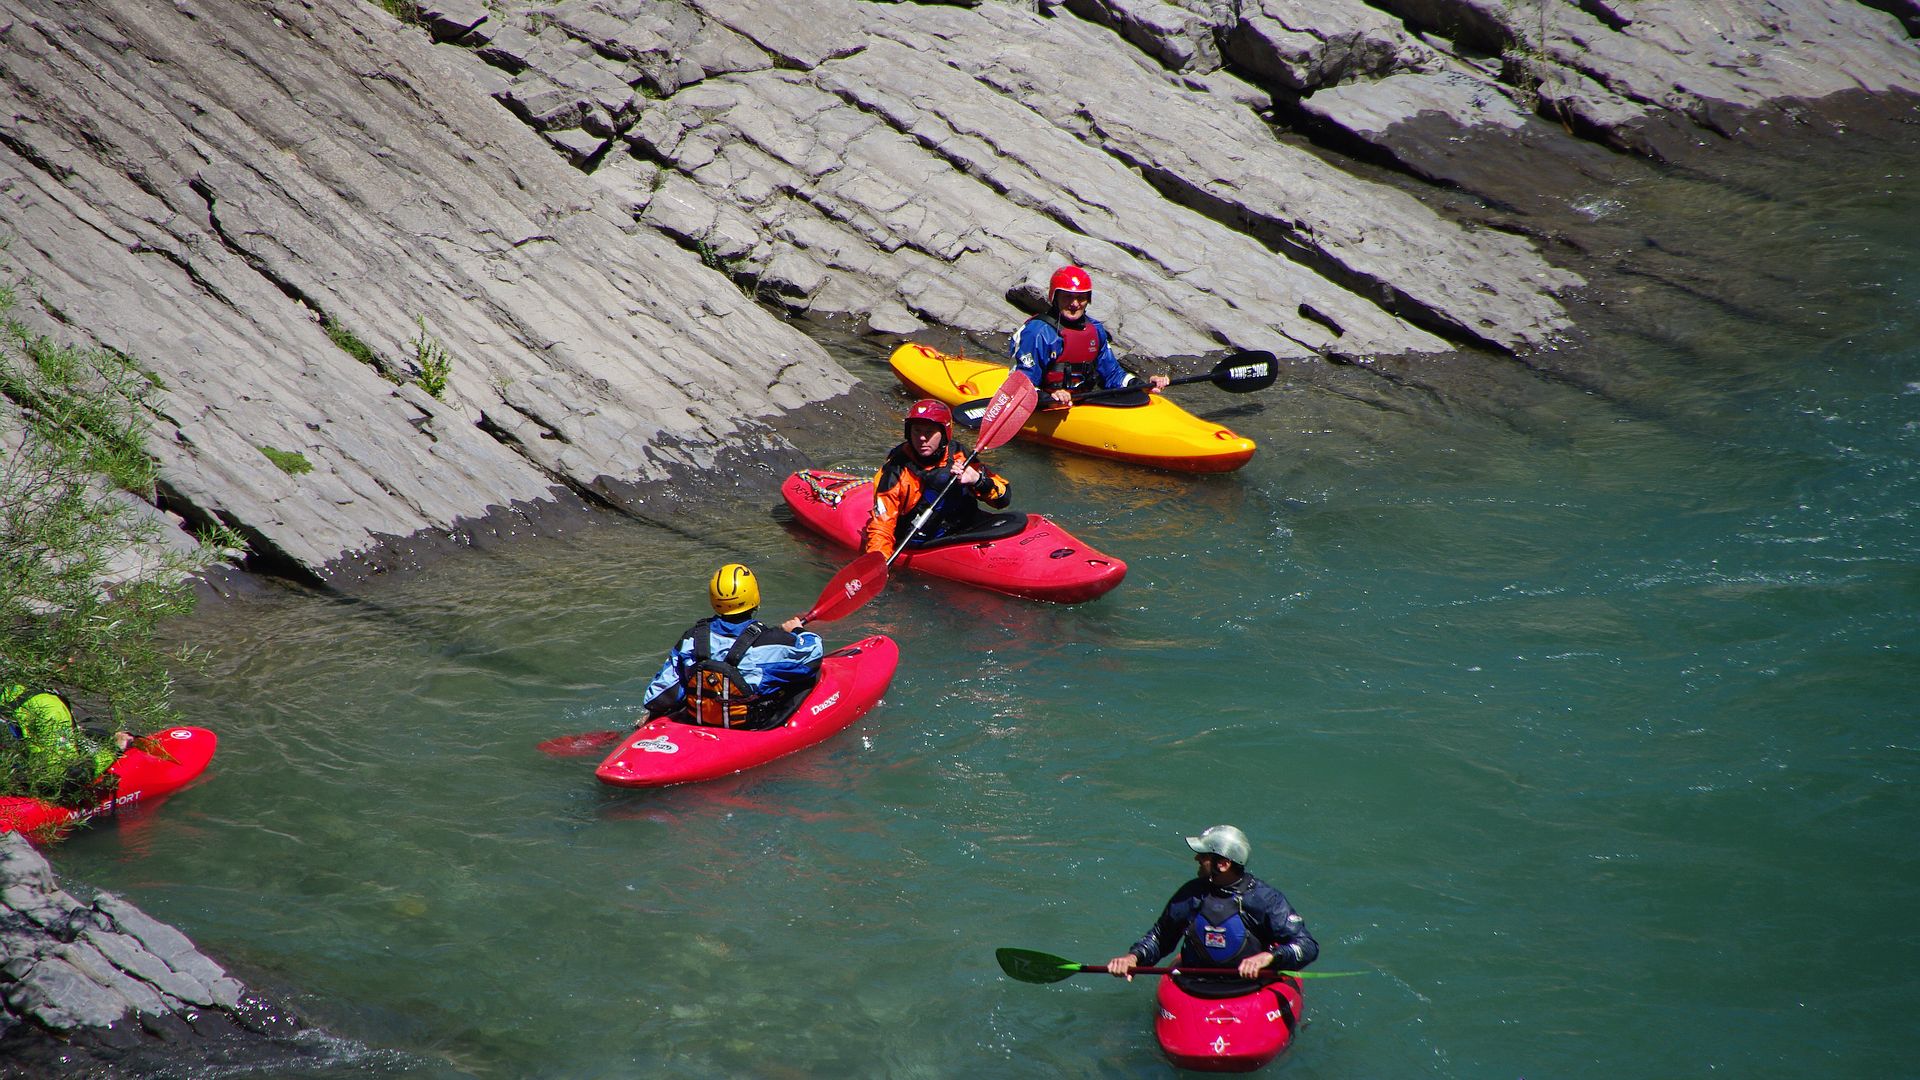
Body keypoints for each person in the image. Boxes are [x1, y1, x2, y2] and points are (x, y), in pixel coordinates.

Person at [1106, 825, 1318, 995]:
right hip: (1194, 985)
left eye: (1203, 855)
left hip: (1251, 988)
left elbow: (1307, 946)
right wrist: (1133, 958)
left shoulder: (1265, 899)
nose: (1196, 858)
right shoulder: (1191, 894)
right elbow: (1161, 938)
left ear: (1223, 864)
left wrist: (1269, 957)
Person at [640, 564, 825, 730]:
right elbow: (813, 654)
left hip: (699, 721)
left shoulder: (692, 638)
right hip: (748, 729)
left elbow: (657, 697)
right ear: (754, 596)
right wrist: (798, 631)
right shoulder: (771, 642)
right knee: (811, 674)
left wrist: (653, 716)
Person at [861, 399, 1016, 556]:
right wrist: (878, 560)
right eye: (917, 431)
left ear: (943, 434)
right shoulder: (896, 470)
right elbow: (882, 527)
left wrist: (979, 481)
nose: (922, 438)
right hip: (923, 539)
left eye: (929, 432)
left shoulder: (960, 455)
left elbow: (1003, 500)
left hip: (965, 526)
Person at [1009, 265, 1170, 407]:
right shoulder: (1037, 332)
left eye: (1081, 298)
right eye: (1067, 297)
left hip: (1083, 402)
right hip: (1045, 404)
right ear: (1055, 297)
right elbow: (1023, 384)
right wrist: (1049, 397)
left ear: (1088, 300)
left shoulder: (1095, 330)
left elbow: (1113, 375)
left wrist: (1141, 385)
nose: (1074, 304)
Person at [2, 683, 134, 799]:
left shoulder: (7, 690)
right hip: (29, 790)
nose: (71, 660)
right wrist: (114, 750)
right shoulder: (47, 705)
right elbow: (69, 777)